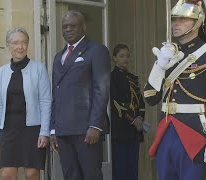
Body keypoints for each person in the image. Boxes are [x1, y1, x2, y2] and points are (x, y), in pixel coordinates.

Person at [144, 0, 206, 179]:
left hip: (195, 134)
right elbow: (150, 98)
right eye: (173, 19)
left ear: (198, 21)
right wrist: (159, 66)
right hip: (166, 132)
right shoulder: (168, 53)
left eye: (183, 19)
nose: (175, 23)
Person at [49, 10, 110, 180]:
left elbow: (102, 89)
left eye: (72, 26)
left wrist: (96, 126)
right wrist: (53, 127)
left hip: (86, 129)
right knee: (71, 175)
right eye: (64, 27)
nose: (68, 29)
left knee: (91, 175)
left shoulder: (96, 50)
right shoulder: (58, 57)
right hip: (63, 130)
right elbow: (56, 93)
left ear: (83, 27)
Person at [0, 27, 51, 180]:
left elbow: (46, 101)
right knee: (7, 174)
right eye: (15, 42)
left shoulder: (39, 69)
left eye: (24, 42)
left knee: (32, 174)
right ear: (8, 45)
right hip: (8, 129)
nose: (20, 46)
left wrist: (44, 131)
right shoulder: (2, 72)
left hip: (32, 129)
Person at [110, 44, 145, 180]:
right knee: (120, 170)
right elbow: (115, 103)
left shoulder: (133, 78)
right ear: (114, 58)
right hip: (120, 130)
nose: (125, 59)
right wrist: (133, 120)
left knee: (132, 170)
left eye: (127, 56)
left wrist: (140, 118)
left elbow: (141, 103)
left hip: (134, 131)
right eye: (121, 56)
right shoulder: (111, 77)